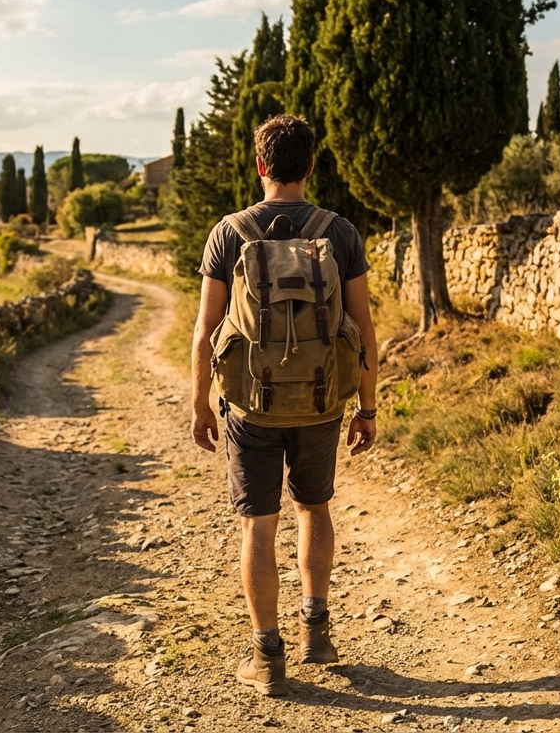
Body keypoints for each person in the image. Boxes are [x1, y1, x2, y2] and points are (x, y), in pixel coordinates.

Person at [189, 114, 379, 696]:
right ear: (312, 166)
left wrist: (200, 405)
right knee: (314, 509)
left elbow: (204, 332)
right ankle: (317, 633)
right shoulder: (339, 232)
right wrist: (367, 408)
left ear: (259, 165)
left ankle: (267, 656)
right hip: (322, 402)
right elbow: (366, 332)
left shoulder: (229, 234)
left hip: (251, 406)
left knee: (258, 523)